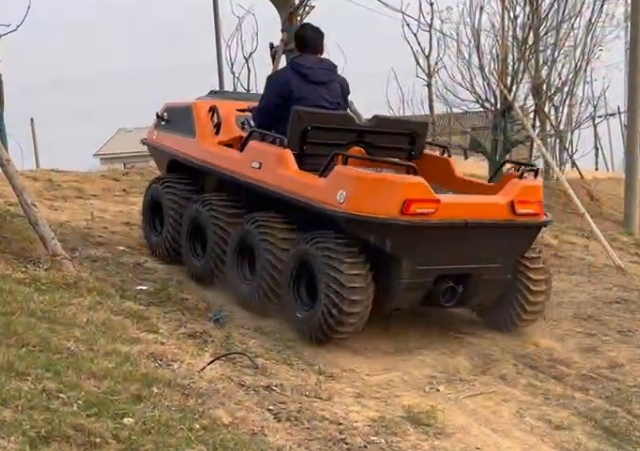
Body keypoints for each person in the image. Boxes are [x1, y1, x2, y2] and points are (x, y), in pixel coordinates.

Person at [252, 23, 351, 136]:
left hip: (290, 146)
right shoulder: (341, 84)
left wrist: (255, 113)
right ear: (322, 49)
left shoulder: (279, 79)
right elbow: (341, 120)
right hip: (332, 146)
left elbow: (263, 122)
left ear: (296, 48)